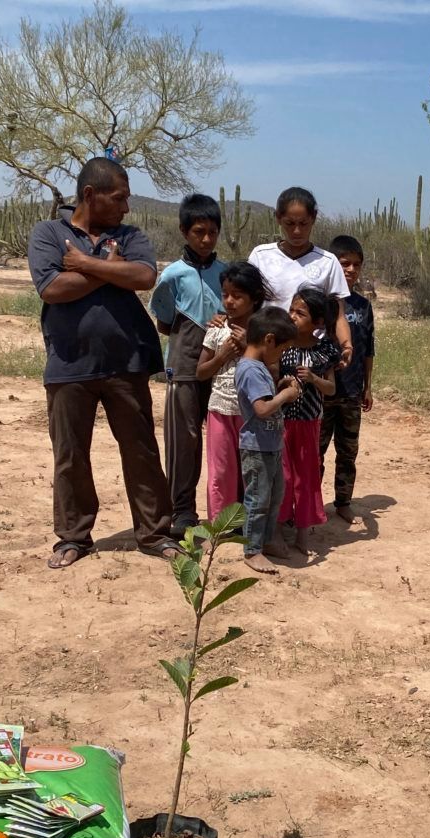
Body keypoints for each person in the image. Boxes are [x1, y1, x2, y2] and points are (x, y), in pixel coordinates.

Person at [28, 157, 181, 568]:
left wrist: (84, 264)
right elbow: (52, 288)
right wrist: (112, 269)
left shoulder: (129, 234)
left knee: (141, 450)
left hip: (126, 361)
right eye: (119, 198)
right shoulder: (48, 233)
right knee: (71, 454)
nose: (126, 207)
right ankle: (74, 537)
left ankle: (154, 533)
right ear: (90, 195)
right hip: (68, 363)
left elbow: (145, 277)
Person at [149, 194, 226, 535]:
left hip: (223, 368)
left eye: (212, 232)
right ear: (183, 231)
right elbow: (164, 322)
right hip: (183, 366)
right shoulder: (173, 275)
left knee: (225, 437)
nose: (206, 239)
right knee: (185, 440)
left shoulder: (226, 274)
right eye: (199, 232)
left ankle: (228, 509)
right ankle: (182, 511)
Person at [196, 261, 273, 520]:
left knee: (253, 471)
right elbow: (201, 372)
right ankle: (218, 528)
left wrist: (250, 348)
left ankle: (252, 527)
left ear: (255, 299)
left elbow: (274, 372)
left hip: (252, 413)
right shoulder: (217, 330)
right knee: (220, 472)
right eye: (225, 295)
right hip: (219, 409)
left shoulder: (264, 333)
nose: (229, 301)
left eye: (237, 296)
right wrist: (221, 357)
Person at [248, 186, 353, 367]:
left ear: (313, 219)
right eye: (290, 224)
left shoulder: (328, 262)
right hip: (266, 353)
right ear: (278, 219)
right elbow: (247, 304)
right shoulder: (260, 256)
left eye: (303, 224)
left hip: (309, 359)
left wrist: (346, 345)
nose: (297, 231)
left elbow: (338, 314)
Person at [235, 307, 302, 574]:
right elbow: (262, 409)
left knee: (274, 496)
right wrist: (285, 397)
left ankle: (263, 541)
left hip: (270, 444)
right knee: (258, 499)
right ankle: (252, 550)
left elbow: (263, 400)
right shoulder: (250, 369)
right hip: (256, 446)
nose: (281, 355)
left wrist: (279, 387)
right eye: (282, 349)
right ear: (269, 339)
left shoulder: (258, 368)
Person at [278, 287, 341, 554]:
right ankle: (279, 529)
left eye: (300, 313)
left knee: (305, 477)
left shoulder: (324, 350)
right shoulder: (282, 346)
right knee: (282, 477)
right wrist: (284, 382)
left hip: (308, 423)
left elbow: (332, 389)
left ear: (317, 322)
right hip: (281, 423)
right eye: (291, 310)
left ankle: (303, 534)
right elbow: (272, 379)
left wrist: (314, 379)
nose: (292, 316)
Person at [320, 235, 375, 523]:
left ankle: (343, 501)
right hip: (322, 392)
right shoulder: (323, 303)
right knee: (315, 453)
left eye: (356, 265)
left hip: (352, 392)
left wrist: (368, 386)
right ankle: (311, 505)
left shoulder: (364, 306)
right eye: (344, 264)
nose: (351, 270)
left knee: (348, 451)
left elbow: (369, 349)